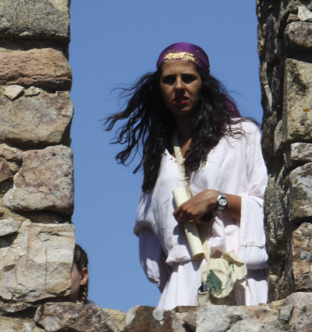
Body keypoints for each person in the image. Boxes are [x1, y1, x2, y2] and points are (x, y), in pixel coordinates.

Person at [106, 42, 269, 310]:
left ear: (204, 84)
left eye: (188, 78)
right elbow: (149, 230)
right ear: (159, 90)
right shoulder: (158, 155)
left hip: (240, 276)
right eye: (169, 80)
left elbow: (268, 210)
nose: (179, 86)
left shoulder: (241, 135)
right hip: (183, 283)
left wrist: (217, 199)